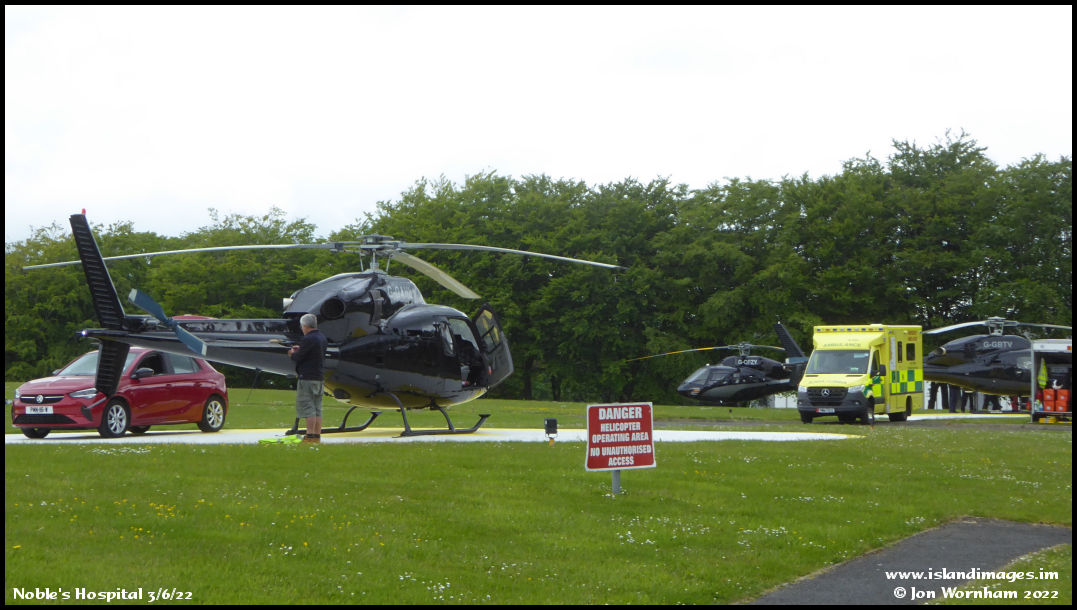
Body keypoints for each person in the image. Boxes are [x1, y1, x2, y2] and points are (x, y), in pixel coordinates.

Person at [289, 313, 327, 444]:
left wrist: (292, 354)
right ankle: (316, 436)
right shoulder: (321, 337)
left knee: (308, 407)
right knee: (317, 408)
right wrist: (302, 349)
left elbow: (299, 357)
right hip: (319, 377)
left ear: (305, 326)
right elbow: (313, 352)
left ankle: (309, 436)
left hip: (307, 378)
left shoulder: (308, 339)